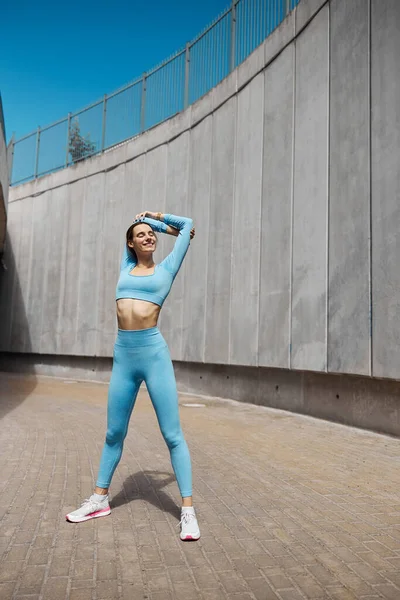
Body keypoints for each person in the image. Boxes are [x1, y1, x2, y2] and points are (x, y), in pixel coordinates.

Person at [66, 211, 200, 541]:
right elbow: (139, 236)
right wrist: (145, 226)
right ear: (130, 243)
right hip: (123, 357)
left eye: (151, 234)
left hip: (153, 355)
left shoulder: (167, 266)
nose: (148, 237)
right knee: (113, 432)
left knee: (172, 434)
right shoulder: (126, 266)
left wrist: (155, 219)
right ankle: (99, 500)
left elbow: (187, 226)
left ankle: (187, 511)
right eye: (140, 235)